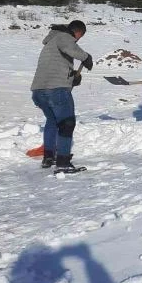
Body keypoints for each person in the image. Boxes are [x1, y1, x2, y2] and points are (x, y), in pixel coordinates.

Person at [30, 20, 93, 173]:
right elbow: (71, 48)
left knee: (52, 121)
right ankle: (63, 163)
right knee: (67, 123)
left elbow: (55, 69)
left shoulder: (52, 41)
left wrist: (72, 78)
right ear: (78, 33)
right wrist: (86, 57)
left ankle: (48, 157)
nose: (78, 40)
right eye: (80, 37)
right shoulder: (63, 36)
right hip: (56, 90)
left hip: (39, 91)